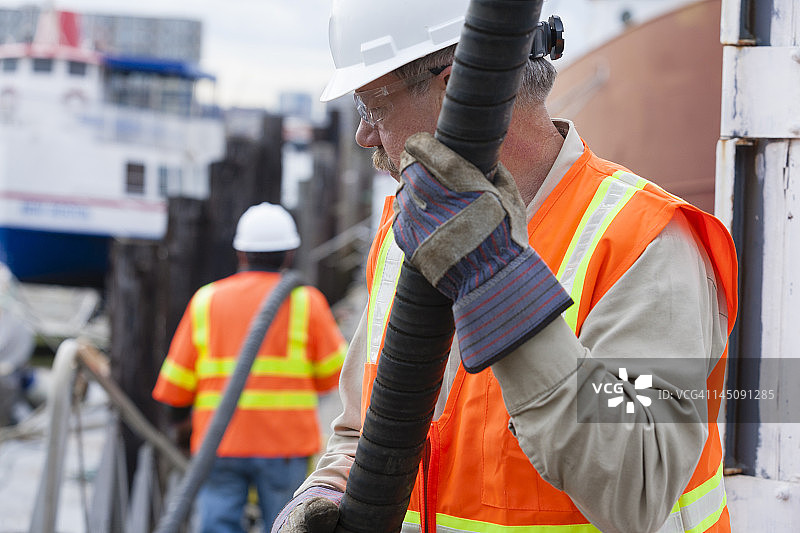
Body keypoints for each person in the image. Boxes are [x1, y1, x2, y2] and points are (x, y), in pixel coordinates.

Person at [273, 1, 737, 532]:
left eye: (371, 106)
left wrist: (499, 284)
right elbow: (363, 428)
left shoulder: (646, 241)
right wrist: (322, 493)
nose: (365, 135)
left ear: (456, 88)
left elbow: (638, 487)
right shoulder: (406, 228)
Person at [153, 202, 347, 533]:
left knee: (216, 525)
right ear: (289, 253)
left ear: (241, 252)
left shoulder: (207, 299)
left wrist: (181, 427)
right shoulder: (305, 300)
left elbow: (176, 383)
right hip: (284, 444)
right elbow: (335, 375)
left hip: (220, 443)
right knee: (287, 525)